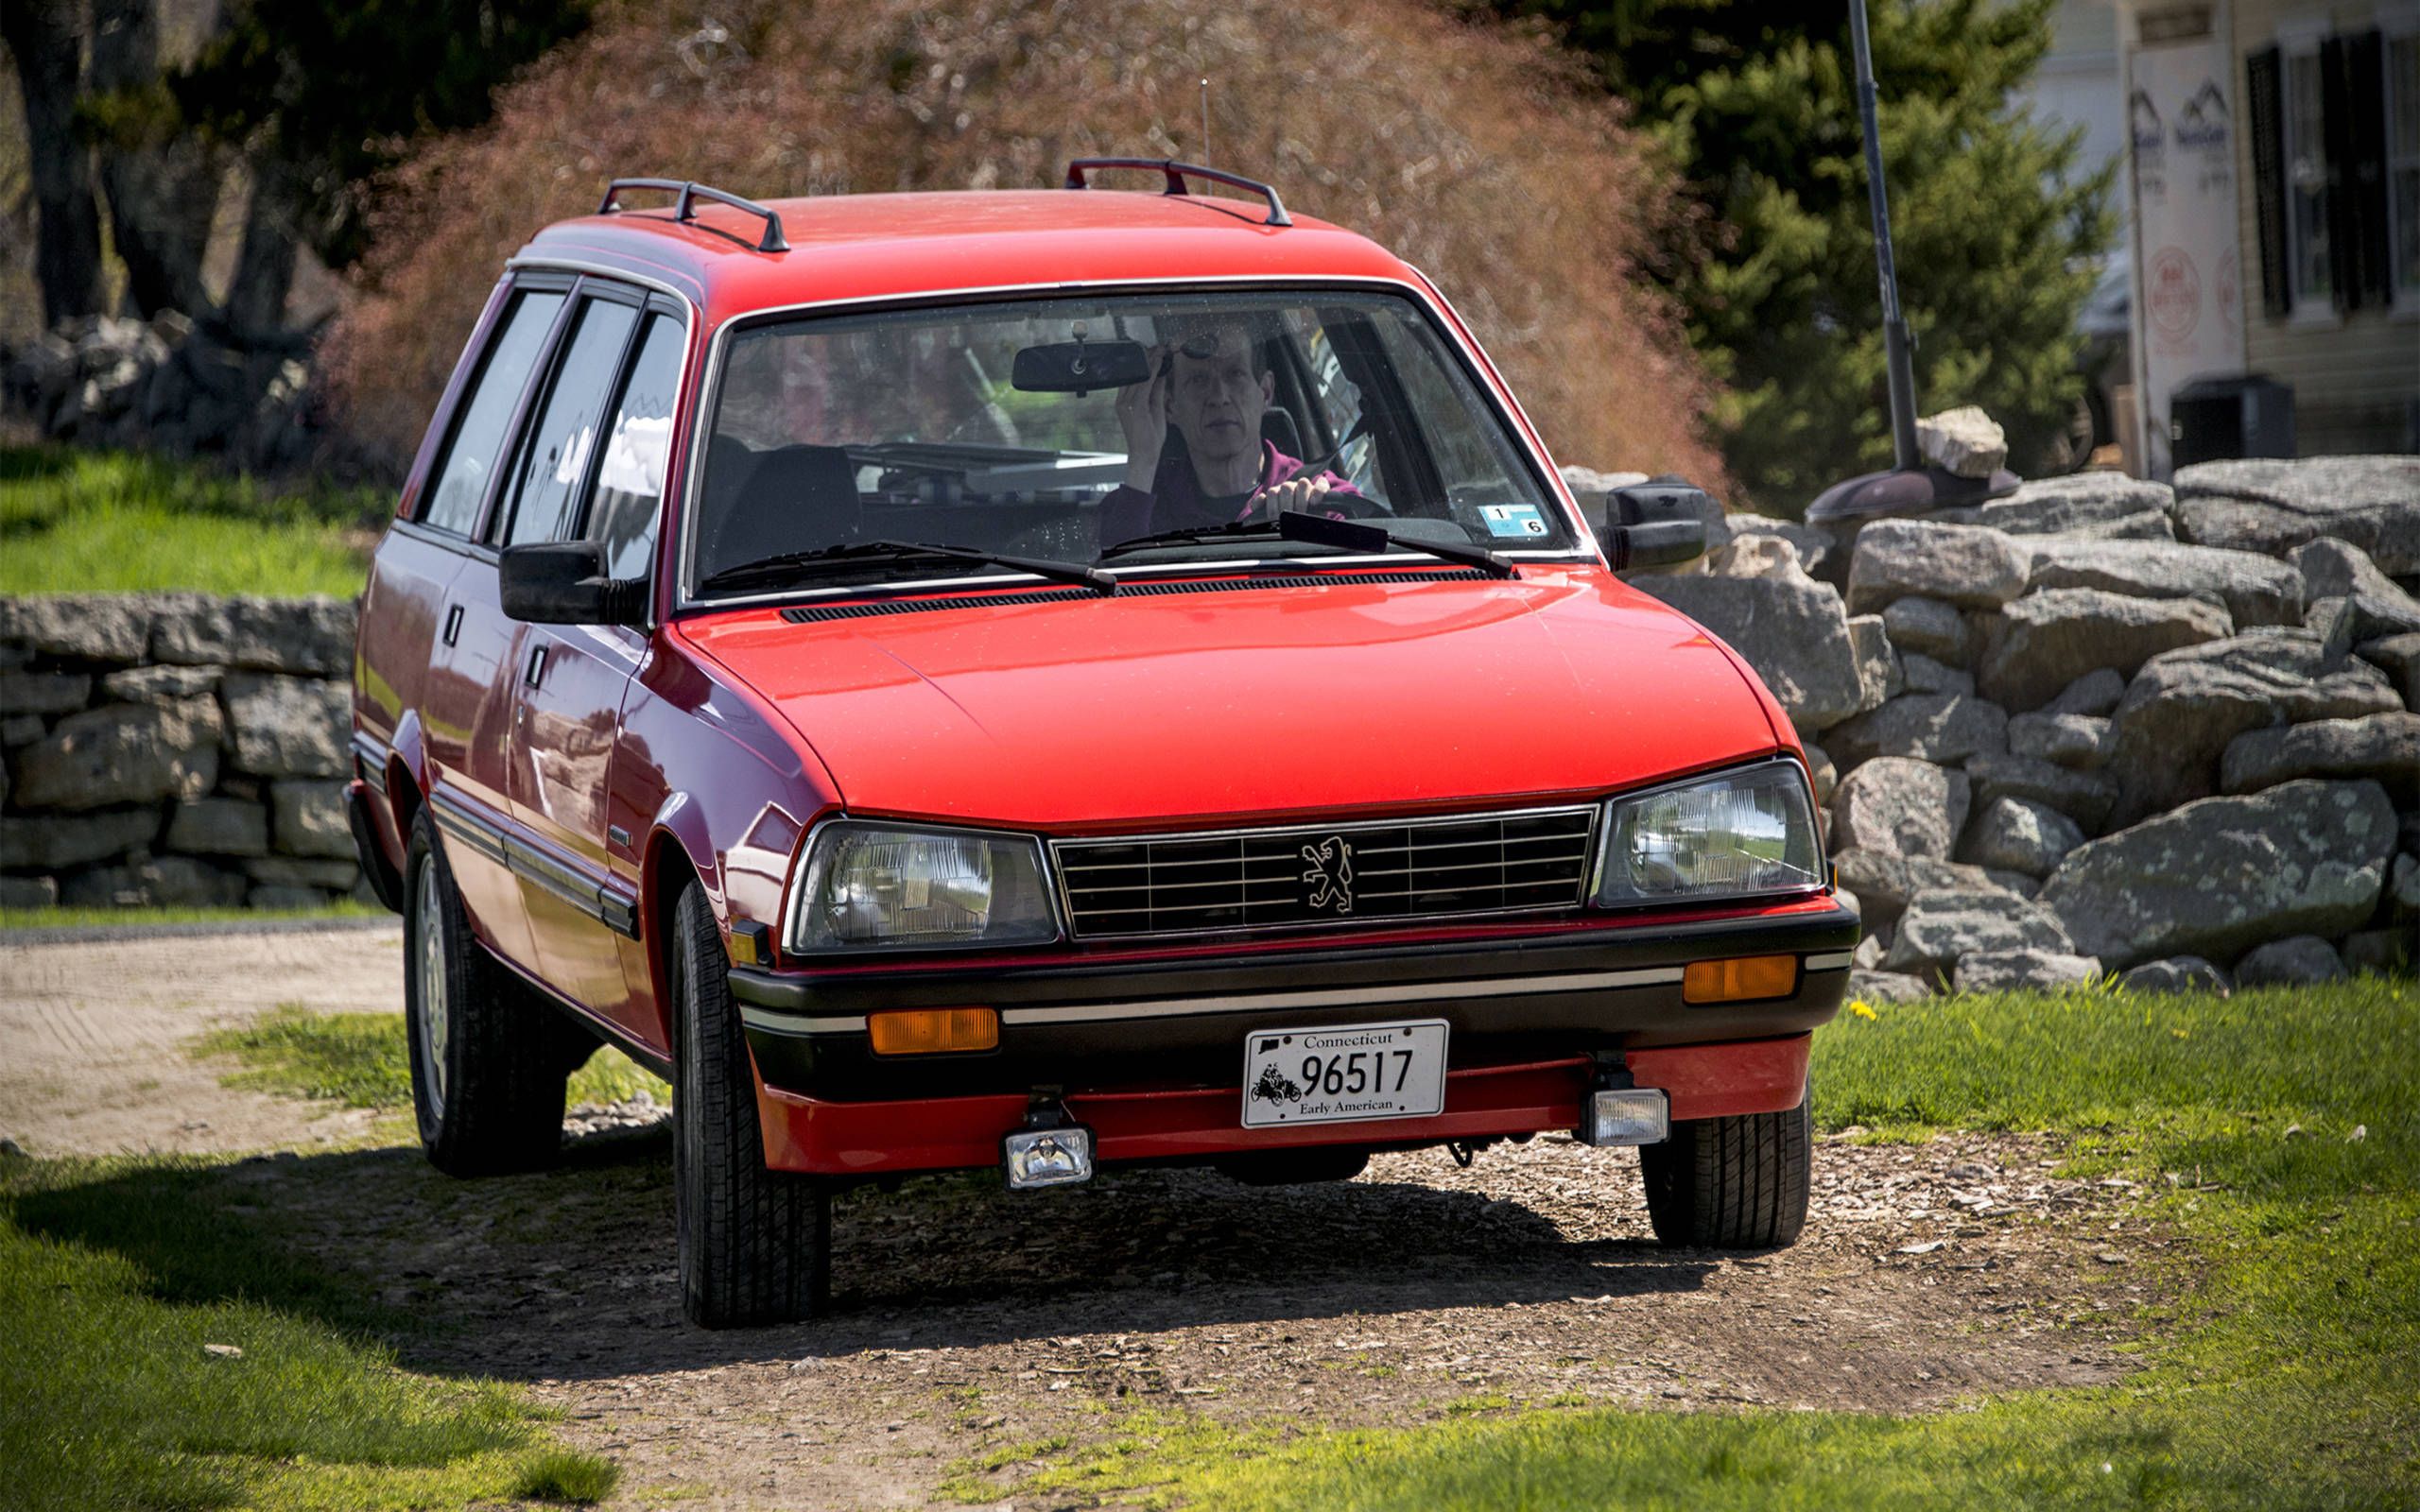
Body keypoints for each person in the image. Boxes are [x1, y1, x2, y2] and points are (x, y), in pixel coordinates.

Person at [1096, 318, 1352, 548]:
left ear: (1265, 393)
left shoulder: (1312, 492)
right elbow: (1112, 580)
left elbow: (1374, 544)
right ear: (1170, 407)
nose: (1219, 397)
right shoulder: (1146, 505)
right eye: (1198, 380)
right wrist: (1143, 459)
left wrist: (1316, 521)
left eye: (1235, 374)